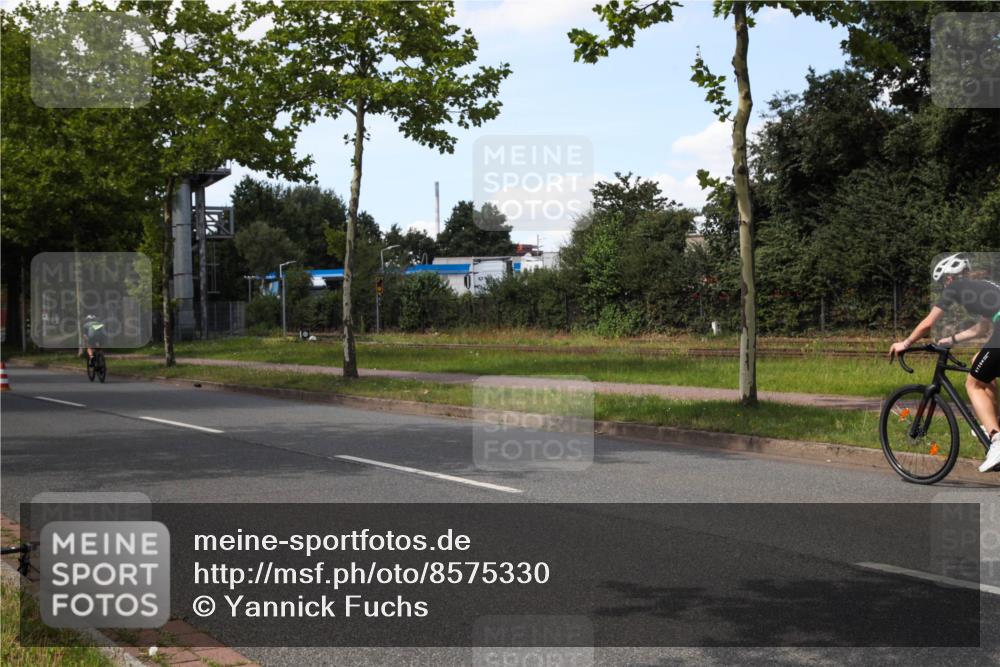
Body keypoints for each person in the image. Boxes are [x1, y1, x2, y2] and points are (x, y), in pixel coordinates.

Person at [888, 254, 1000, 473]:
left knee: (973, 383)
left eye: (942, 283)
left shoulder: (955, 288)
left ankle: (996, 441)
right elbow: (981, 329)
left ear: (949, 278)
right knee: (980, 364)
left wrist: (906, 342)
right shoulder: (984, 285)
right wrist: (949, 341)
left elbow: (928, 324)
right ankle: (993, 424)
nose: (942, 288)